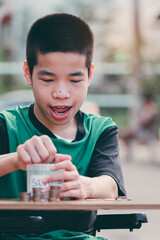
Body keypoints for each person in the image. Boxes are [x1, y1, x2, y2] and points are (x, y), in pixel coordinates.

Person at [0, 13, 126, 240]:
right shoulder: (7, 126)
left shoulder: (101, 130)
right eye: (48, 80)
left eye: (74, 80)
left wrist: (85, 186)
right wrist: (15, 161)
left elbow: (110, 186)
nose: (61, 93)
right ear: (28, 73)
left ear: (90, 75)